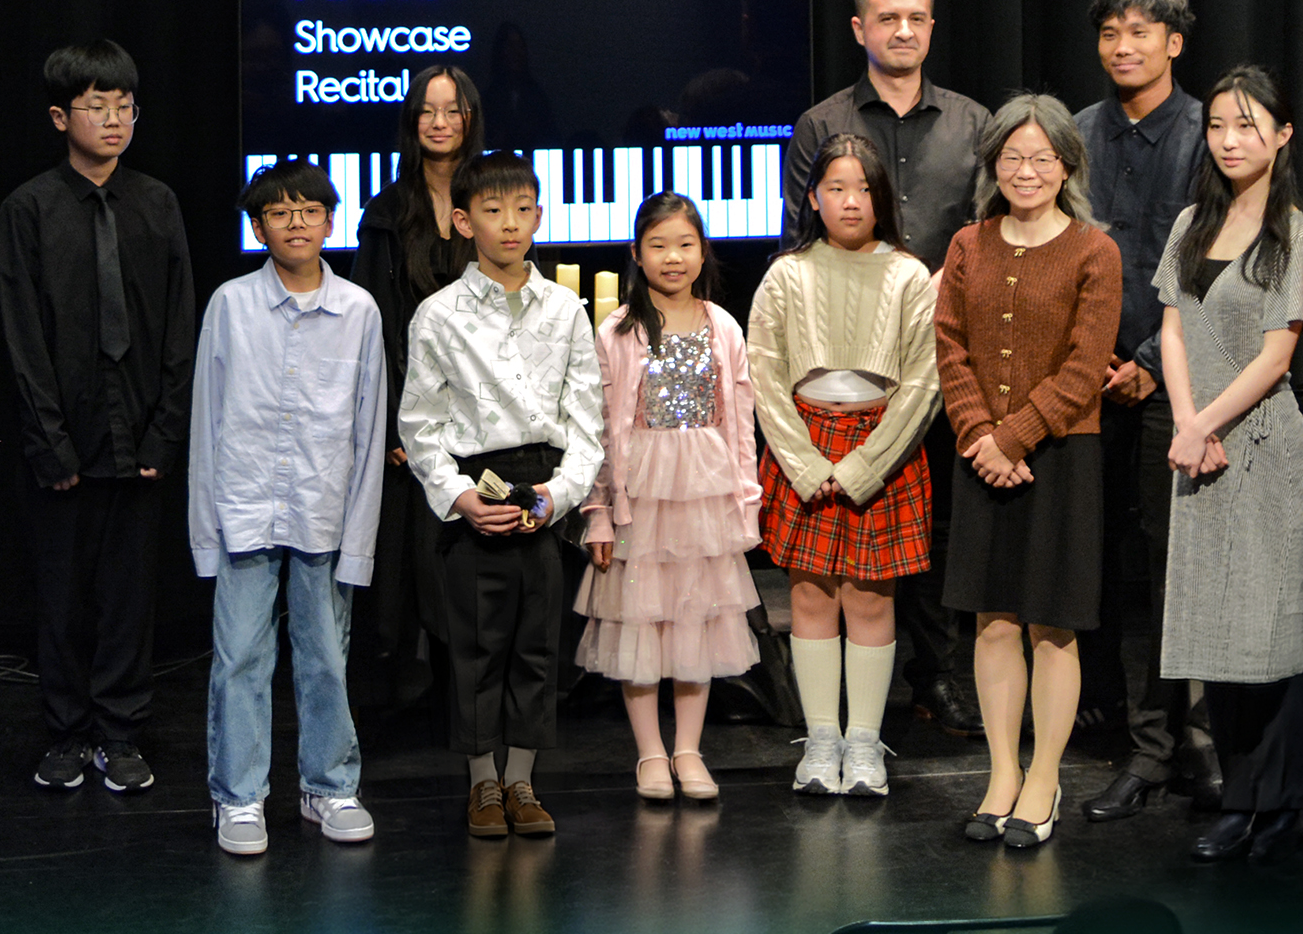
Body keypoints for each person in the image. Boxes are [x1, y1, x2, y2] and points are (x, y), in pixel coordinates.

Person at [784, 0, 990, 737]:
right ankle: (838, 697)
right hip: (844, 368)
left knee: (936, 528)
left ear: (931, 27)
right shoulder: (822, 123)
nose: (903, 30)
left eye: (917, 18)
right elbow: (796, 244)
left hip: (946, 359)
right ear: (859, 28)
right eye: (887, 17)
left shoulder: (973, 124)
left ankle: (936, 679)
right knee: (840, 522)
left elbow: (986, 240)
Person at [0, 40, 195, 798]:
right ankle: (67, 732)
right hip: (63, 438)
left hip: (141, 434)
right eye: (96, 106)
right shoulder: (29, 208)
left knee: (128, 594)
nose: (113, 120)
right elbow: (20, 333)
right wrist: (50, 442)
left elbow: (181, 324)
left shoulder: (157, 203)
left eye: (125, 107)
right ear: (59, 116)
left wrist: (164, 431)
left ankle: (120, 731)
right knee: (60, 593)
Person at [399, 150, 604, 840]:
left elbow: (587, 425)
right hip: (475, 490)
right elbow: (420, 425)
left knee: (536, 647)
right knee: (476, 647)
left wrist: (557, 496)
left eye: (522, 209)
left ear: (540, 215)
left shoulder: (566, 309)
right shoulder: (437, 315)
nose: (509, 224)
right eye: (492, 210)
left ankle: (523, 779)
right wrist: (459, 497)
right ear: (463, 220)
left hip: (541, 491)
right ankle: (481, 783)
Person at [936, 95, 1120, 850]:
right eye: (1012, 157)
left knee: (1052, 624)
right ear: (993, 165)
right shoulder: (967, 245)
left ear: (1068, 166)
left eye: (1042, 157)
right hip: (982, 458)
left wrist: (1014, 437)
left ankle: (1044, 778)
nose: (1026, 170)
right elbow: (949, 349)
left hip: (1061, 458)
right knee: (992, 621)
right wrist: (982, 435)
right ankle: (1001, 775)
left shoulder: (1092, 251)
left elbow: (1085, 368)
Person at [190, 161, 389, 857]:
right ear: (258, 227)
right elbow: (206, 421)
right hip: (244, 507)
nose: (296, 222)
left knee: (325, 658)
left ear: (331, 221)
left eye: (309, 210)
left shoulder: (359, 311)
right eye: (280, 212)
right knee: (240, 656)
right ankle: (239, 797)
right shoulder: (230, 305)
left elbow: (368, 434)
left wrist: (360, 539)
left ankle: (329, 785)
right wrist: (204, 531)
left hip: (324, 513)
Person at [1156, 67, 1303, 865]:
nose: (1230, 139)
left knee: (1268, 632)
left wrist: (1209, 421)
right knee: (1213, 632)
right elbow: (1172, 330)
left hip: (1260, 445)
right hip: (1199, 447)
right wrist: (1188, 422)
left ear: (1282, 135)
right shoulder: (1193, 221)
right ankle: (1238, 798)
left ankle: (1284, 803)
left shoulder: (1294, 234)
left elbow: (1278, 356)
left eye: (1249, 125)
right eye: (1220, 124)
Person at [1072, 0, 1222, 822]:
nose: (1124, 45)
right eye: (1110, 32)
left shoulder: (1210, 133)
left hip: (1179, 384)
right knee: (1105, 569)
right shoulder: (1079, 133)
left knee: (1174, 569)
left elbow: (1215, 268)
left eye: (1142, 30)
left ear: (1174, 42)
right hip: (1086, 386)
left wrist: (1148, 367)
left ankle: (1177, 742)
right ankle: (1132, 734)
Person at [747, 137, 937, 801]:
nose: (849, 200)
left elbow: (923, 384)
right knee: (809, 596)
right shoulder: (787, 274)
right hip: (805, 438)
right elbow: (763, 376)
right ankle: (822, 735)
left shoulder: (910, 275)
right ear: (812, 197)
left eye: (862, 188)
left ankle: (864, 741)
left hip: (880, 448)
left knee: (870, 597)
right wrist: (802, 461)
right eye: (835, 187)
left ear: (881, 198)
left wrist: (862, 465)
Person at [578, 193, 760, 803]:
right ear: (636, 253)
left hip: (704, 493)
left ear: (702, 251)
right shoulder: (617, 330)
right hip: (642, 491)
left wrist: (746, 500)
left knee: (695, 619)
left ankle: (688, 748)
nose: (673, 257)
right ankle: (649, 752)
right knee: (641, 620)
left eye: (684, 244)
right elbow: (601, 424)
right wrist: (599, 512)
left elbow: (740, 422)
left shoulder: (722, 324)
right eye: (658, 245)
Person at [346, 64, 481, 709]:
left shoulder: (489, 198)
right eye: (427, 111)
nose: (439, 123)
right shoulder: (388, 210)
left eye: (451, 110)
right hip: (411, 420)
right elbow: (372, 320)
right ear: (412, 121)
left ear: (469, 118)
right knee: (405, 568)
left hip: (483, 416)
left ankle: (471, 702)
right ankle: (402, 699)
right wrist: (402, 420)